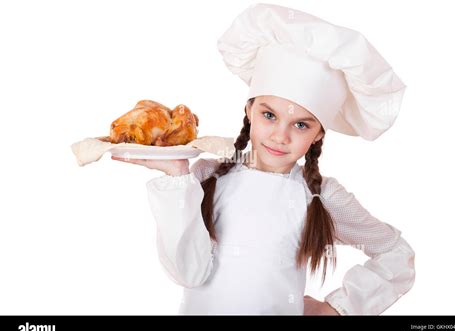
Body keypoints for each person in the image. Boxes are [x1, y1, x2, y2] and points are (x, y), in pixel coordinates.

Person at [113, 3, 415, 315]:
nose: (280, 136)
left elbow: (395, 253)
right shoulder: (206, 175)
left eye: (301, 124)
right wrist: (178, 175)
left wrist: (336, 309)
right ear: (249, 110)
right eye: (269, 115)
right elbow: (188, 273)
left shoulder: (321, 196)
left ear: (319, 134)